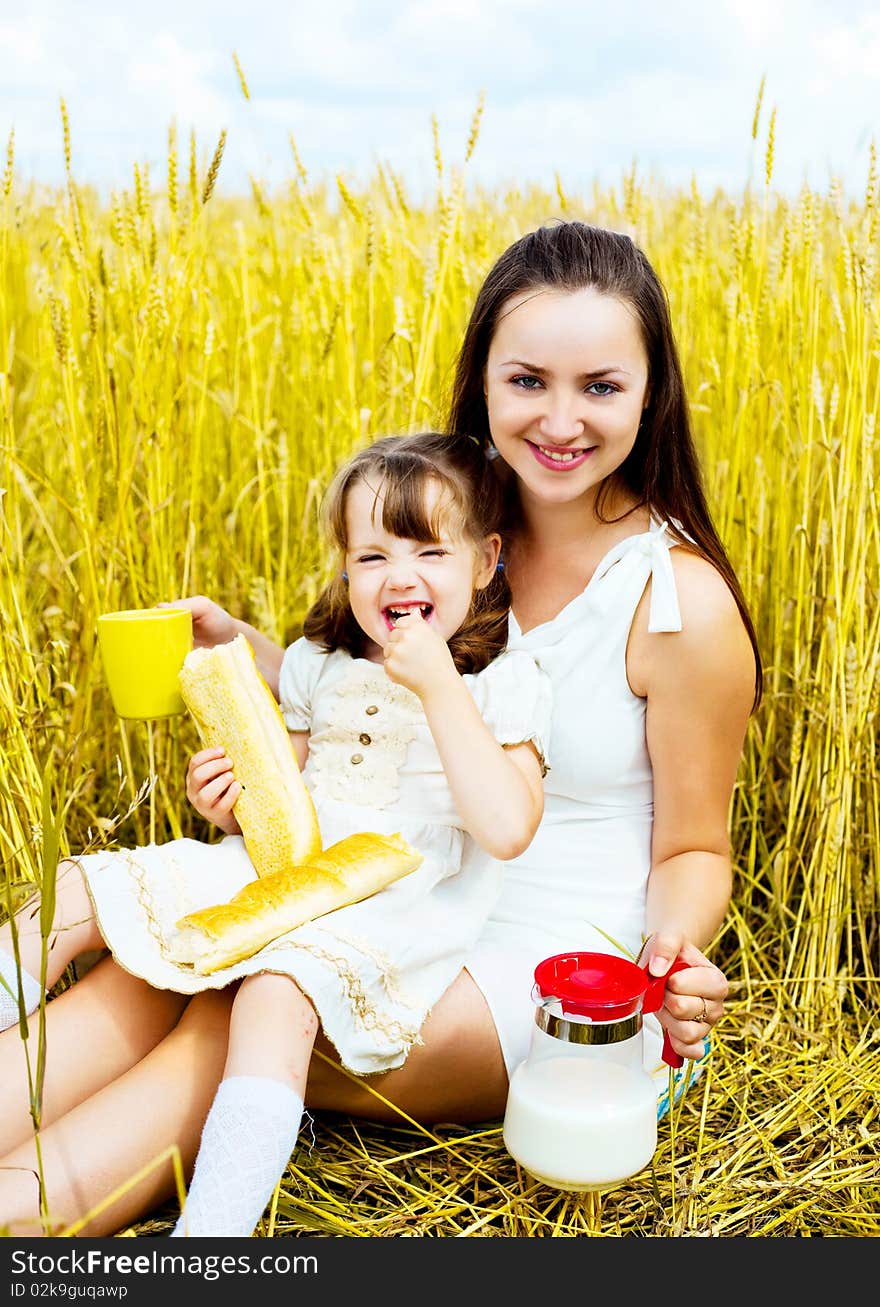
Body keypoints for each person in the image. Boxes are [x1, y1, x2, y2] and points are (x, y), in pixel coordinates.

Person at [0, 219, 759, 1238]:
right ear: (482, 381)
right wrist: (252, 664)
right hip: (401, 880)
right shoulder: (447, 522)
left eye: (601, 386)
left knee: (239, 1000)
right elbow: (367, 694)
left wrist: (666, 956)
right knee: (169, 951)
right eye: (528, 380)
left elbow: (694, 842)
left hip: (529, 952)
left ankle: (41, 1218)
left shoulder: (678, 603)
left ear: (650, 392)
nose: (562, 420)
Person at [0, 432, 549, 1237]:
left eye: (429, 549)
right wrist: (226, 801)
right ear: (344, 568)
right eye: (370, 556)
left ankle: (212, 1236)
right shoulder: (322, 665)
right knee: (78, 889)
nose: (398, 576)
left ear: (486, 558)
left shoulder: (505, 681)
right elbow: (281, 792)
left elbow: (506, 827)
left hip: (390, 905)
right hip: (281, 874)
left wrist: (440, 687)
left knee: (275, 996)